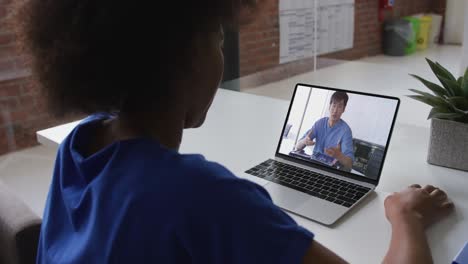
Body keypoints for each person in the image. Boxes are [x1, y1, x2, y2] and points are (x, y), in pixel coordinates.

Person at [14, 0, 454, 263]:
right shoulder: (202, 195)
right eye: (218, 40)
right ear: (184, 56)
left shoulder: (80, 145)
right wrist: (406, 216)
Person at [295, 92, 354, 170]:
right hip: (313, 165)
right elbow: (297, 146)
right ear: (329, 106)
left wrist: (338, 155)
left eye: (339, 107)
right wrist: (304, 141)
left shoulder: (346, 131)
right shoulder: (320, 123)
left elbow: (349, 164)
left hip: (330, 170)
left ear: (343, 109)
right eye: (334, 105)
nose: (335, 110)